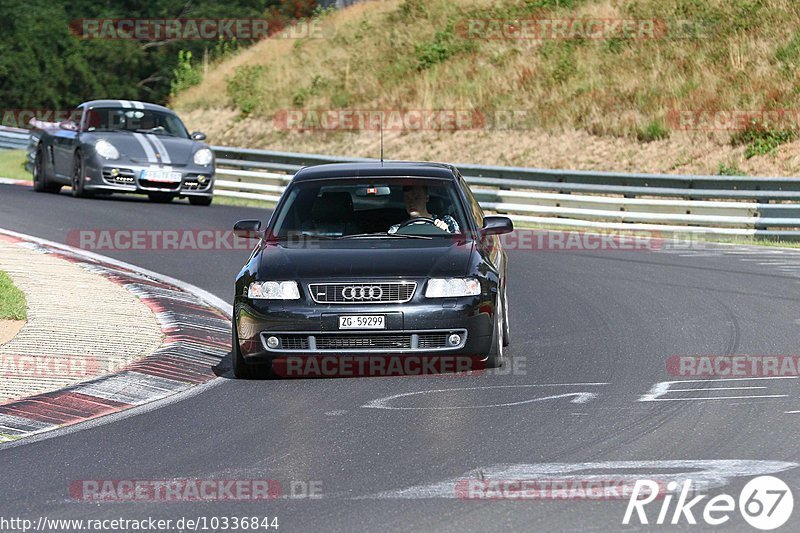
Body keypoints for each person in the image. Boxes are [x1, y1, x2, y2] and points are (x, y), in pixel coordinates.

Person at [388, 185, 460, 234]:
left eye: (416, 198)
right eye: (407, 199)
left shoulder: (447, 221)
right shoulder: (396, 230)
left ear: (427, 198)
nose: (411, 203)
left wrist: (446, 233)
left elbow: (459, 246)